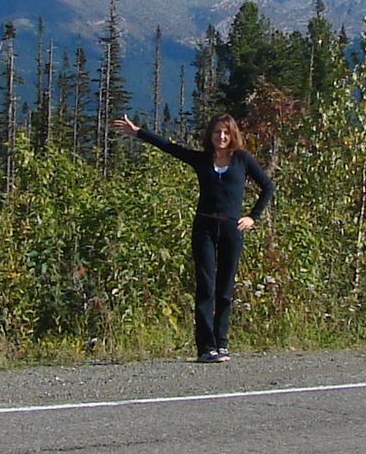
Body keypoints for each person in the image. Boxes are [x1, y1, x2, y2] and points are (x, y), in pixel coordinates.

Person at [111, 112, 275, 364]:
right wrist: (138, 132)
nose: (221, 136)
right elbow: (169, 147)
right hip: (204, 227)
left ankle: (221, 343)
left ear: (232, 136)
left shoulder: (241, 159)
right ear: (210, 135)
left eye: (225, 132)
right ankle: (205, 347)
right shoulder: (202, 159)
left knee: (225, 289)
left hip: (232, 229)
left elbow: (267, 186)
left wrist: (253, 216)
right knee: (206, 287)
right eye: (216, 132)